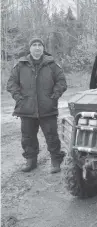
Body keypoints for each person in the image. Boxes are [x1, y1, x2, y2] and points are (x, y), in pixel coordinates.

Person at [6, 37, 67, 173]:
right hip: (26, 108)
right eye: (34, 45)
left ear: (43, 48)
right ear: (30, 48)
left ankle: (55, 161)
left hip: (47, 108)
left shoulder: (51, 64)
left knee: (52, 136)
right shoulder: (21, 65)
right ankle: (31, 161)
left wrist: (54, 96)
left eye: (40, 45)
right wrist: (18, 97)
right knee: (27, 137)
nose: (37, 47)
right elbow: (11, 83)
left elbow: (61, 81)